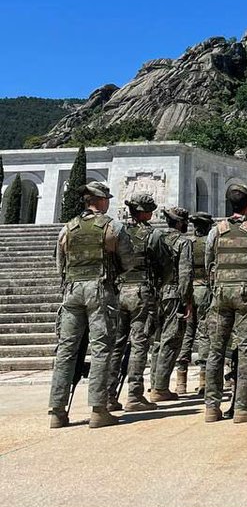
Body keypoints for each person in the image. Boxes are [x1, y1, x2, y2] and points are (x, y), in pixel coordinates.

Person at [48, 180, 134, 429]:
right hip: (99, 289)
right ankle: (98, 410)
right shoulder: (112, 226)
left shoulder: (68, 228)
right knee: (100, 347)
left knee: (66, 350)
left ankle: (57, 411)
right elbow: (128, 261)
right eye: (107, 198)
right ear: (100, 200)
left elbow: (59, 265)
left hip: (72, 291)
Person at [204, 183, 247, 424]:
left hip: (220, 294)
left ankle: (211, 408)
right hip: (246, 295)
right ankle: (243, 406)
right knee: (246, 349)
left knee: (216, 350)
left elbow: (208, 263)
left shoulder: (216, 230)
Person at [108, 191, 162, 413]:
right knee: (140, 343)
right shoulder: (153, 235)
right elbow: (164, 266)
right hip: (141, 292)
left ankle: (109, 396)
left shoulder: (116, 232)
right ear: (147, 213)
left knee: (117, 344)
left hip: (119, 291)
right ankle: (135, 395)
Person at [147, 207, 194, 402]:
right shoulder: (183, 243)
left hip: (155, 293)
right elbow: (185, 274)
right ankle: (161, 387)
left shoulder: (156, 238)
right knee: (171, 339)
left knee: (157, 341)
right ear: (181, 223)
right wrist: (187, 300)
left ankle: (154, 384)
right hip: (173, 293)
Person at [174, 211, 215, 396]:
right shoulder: (211, 244)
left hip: (190, 290)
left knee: (187, 334)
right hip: (206, 289)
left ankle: (181, 381)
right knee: (205, 333)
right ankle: (203, 380)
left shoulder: (187, 243)